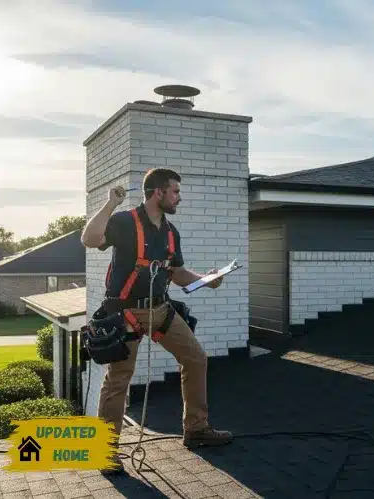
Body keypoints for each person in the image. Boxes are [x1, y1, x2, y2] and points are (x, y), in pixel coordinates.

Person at [81, 168, 232, 474]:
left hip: (161, 310)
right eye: (175, 191)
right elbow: (89, 238)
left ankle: (196, 429)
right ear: (157, 193)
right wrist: (110, 203)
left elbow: (177, 274)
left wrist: (206, 280)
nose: (179, 197)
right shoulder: (125, 221)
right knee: (119, 379)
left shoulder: (171, 232)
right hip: (125, 314)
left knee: (196, 358)